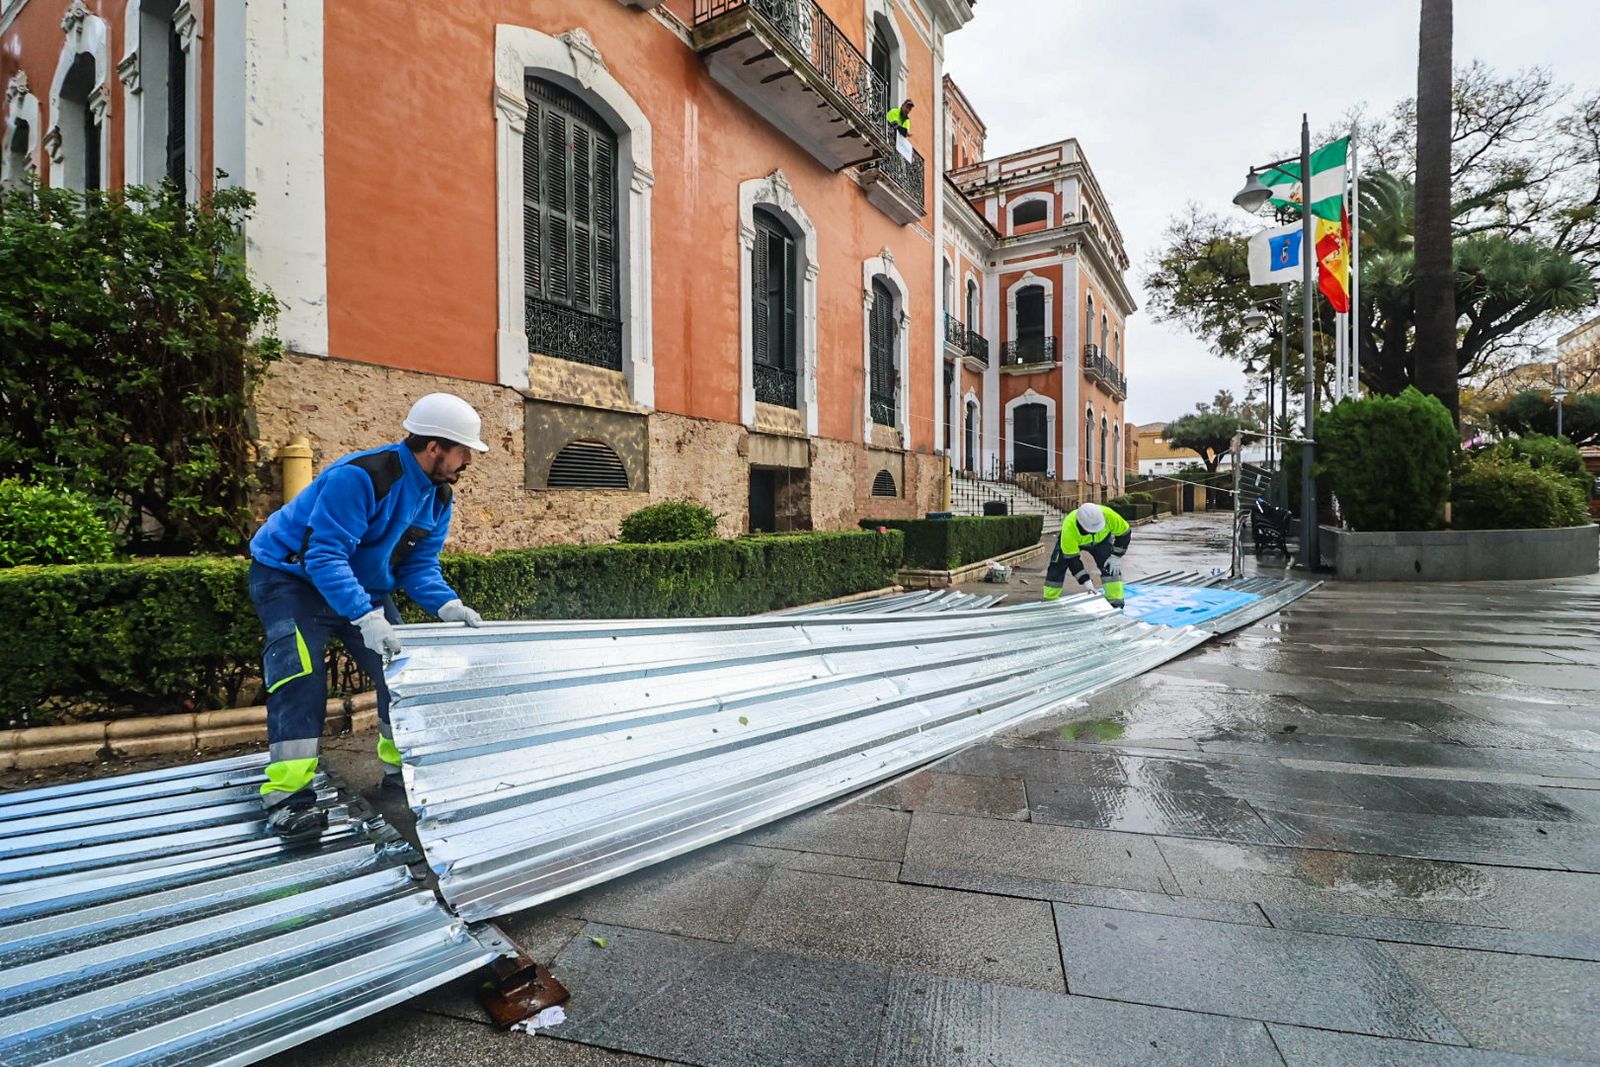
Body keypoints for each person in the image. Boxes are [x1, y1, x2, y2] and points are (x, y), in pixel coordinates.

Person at [249, 393, 490, 838]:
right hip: (291, 580)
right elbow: (323, 556)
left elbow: (419, 567)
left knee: (399, 676)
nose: (468, 462)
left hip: (363, 587)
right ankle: (287, 798)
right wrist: (365, 614)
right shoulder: (361, 477)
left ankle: (402, 775)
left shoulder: (437, 497)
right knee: (299, 677)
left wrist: (447, 606)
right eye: (463, 451)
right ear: (435, 446)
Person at [1042, 502, 1131, 607]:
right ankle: (1050, 600)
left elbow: (1125, 533)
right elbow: (1072, 560)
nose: (1093, 533)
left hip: (1101, 541)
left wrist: (1116, 556)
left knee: (1110, 567)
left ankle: (1116, 600)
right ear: (1080, 525)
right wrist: (1085, 581)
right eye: (1090, 531)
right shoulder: (1069, 527)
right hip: (1076, 541)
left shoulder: (1109, 515)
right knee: (1057, 565)